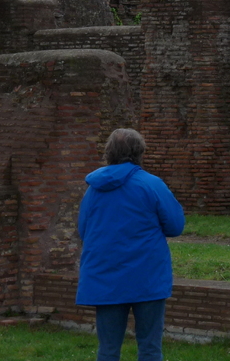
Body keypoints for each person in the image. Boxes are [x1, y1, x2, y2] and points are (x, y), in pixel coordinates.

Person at [76, 128, 185, 361]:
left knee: (107, 350)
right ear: (140, 153)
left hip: (105, 276)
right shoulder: (152, 185)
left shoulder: (93, 189)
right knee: (149, 349)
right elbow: (175, 226)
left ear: (109, 153)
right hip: (147, 276)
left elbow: (84, 230)